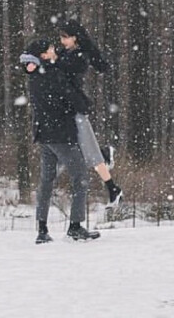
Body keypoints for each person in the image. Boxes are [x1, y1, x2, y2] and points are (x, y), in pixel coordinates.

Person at [20, 37, 101, 244]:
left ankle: (42, 228)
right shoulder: (54, 74)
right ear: (43, 55)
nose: (54, 50)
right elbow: (74, 99)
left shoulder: (35, 76)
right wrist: (84, 105)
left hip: (44, 136)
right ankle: (75, 226)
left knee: (46, 181)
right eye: (50, 49)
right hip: (61, 135)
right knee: (80, 177)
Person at [56, 18, 123, 206]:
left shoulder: (79, 56)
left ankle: (112, 186)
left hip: (75, 107)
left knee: (90, 151)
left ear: (75, 38)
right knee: (81, 150)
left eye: (65, 37)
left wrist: (54, 61)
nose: (62, 41)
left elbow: (67, 68)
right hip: (65, 109)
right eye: (61, 37)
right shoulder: (64, 53)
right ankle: (110, 182)